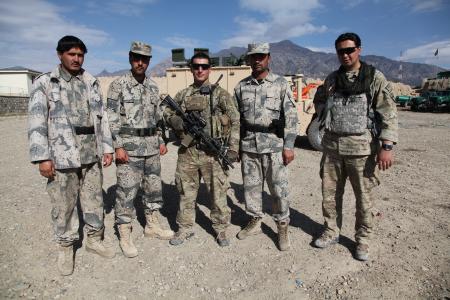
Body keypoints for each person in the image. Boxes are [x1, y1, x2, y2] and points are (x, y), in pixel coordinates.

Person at [28, 35, 115, 276]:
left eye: (80, 55)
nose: (76, 59)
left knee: (94, 200)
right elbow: (36, 121)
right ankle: (66, 246)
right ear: (60, 55)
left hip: (91, 154)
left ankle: (94, 239)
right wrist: (42, 157)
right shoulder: (46, 82)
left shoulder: (91, 81)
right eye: (71, 54)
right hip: (61, 155)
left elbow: (102, 117)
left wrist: (107, 147)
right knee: (64, 204)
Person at [313, 32, 398, 261]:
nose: (346, 55)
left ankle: (362, 240)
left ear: (359, 49)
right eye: (341, 51)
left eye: (350, 50)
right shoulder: (332, 79)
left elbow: (388, 112)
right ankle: (331, 231)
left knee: (364, 199)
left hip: (361, 150)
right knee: (329, 196)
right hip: (332, 149)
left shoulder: (373, 78)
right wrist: (323, 113)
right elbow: (318, 99)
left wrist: (387, 146)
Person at [164, 52, 240, 247]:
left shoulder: (221, 94)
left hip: (213, 153)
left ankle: (221, 229)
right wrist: (178, 121)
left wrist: (233, 148)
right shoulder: (183, 94)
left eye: (204, 66)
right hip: (188, 151)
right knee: (186, 192)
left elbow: (235, 120)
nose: (200, 70)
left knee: (218, 192)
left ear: (209, 69)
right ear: (190, 69)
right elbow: (166, 114)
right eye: (196, 66)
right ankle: (185, 228)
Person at [106, 41, 173, 258]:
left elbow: (158, 118)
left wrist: (161, 140)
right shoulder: (118, 85)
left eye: (144, 59)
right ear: (130, 58)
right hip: (129, 148)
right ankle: (124, 232)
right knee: (126, 192)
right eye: (136, 57)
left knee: (153, 189)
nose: (140, 62)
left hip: (151, 148)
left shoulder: (153, 87)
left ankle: (152, 224)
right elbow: (111, 117)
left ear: (149, 61)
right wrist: (117, 146)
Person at [234, 42, 298, 251]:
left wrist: (289, 145)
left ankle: (282, 226)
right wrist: (236, 147)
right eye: (253, 56)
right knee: (251, 189)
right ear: (249, 59)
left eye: (261, 56)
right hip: (249, 147)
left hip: (273, 146)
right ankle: (254, 221)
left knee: (279, 190)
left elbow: (291, 115)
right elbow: (235, 120)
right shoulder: (241, 87)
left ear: (268, 58)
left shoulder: (280, 84)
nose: (257, 60)